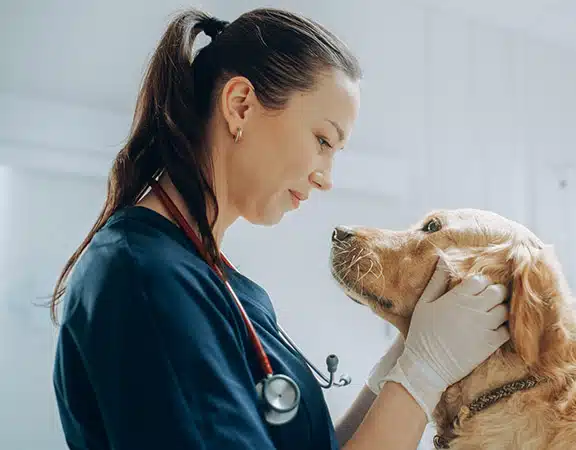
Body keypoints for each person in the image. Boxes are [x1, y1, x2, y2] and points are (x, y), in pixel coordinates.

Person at [49, 7, 510, 450]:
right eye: (323, 140)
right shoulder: (144, 278)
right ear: (241, 105)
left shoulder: (221, 284)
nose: (326, 178)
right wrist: (422, 374)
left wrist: (394, 374)